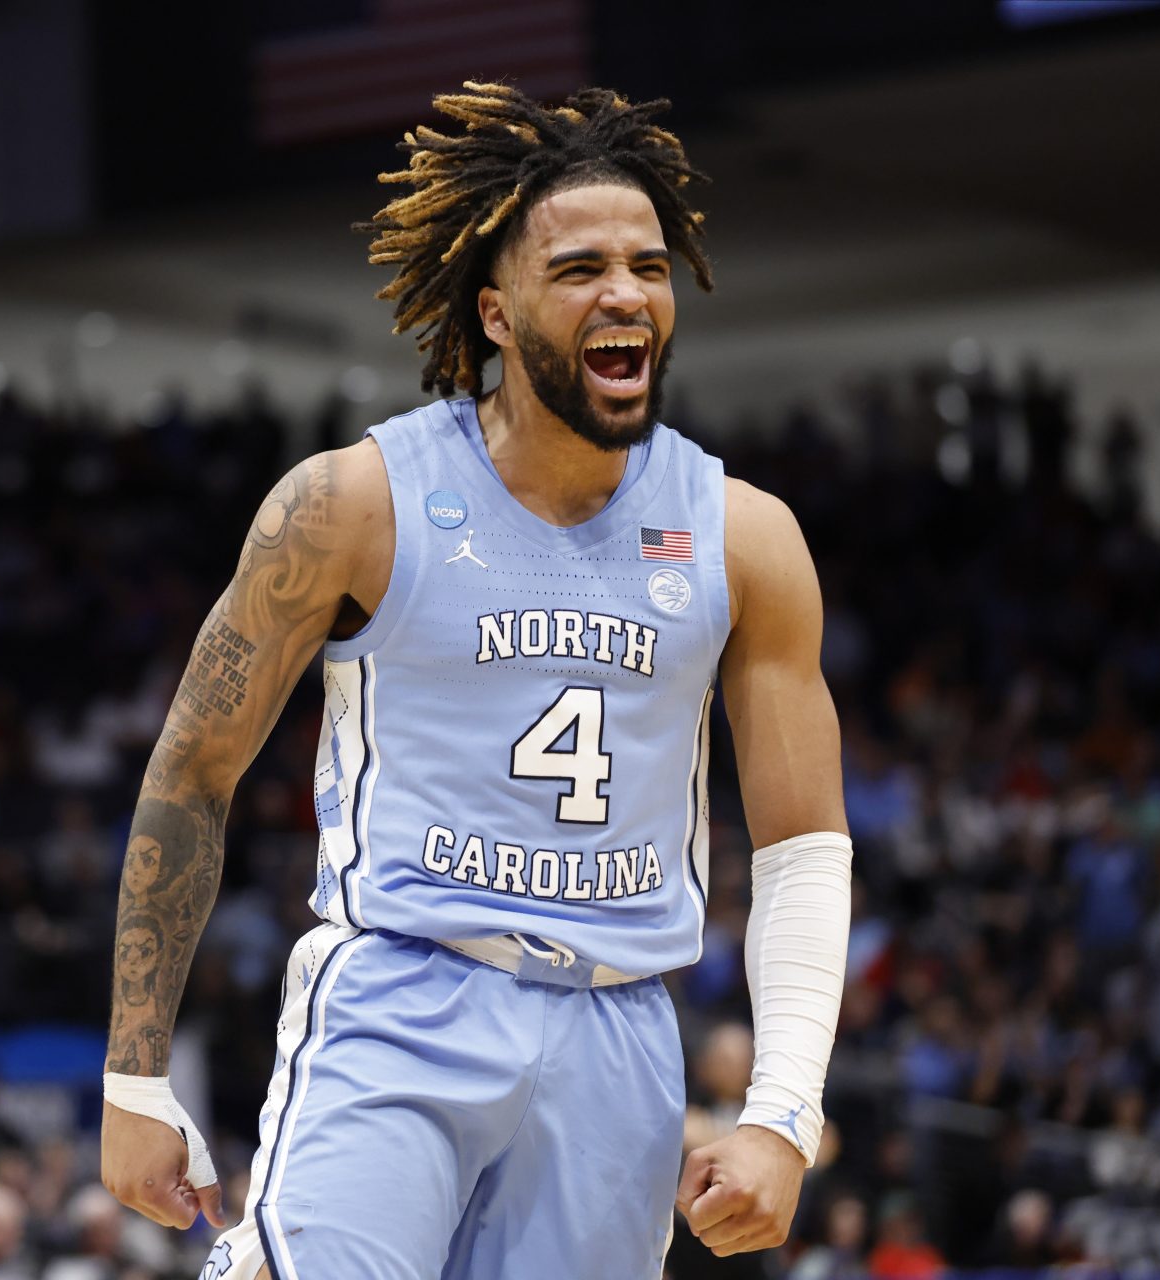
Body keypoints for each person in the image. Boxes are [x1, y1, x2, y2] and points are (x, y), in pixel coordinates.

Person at [98, 83, 854, 1278]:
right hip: (404, 997)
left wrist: (782, 1108)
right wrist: (135, 1072)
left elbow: (803, 843)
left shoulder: (746, 538)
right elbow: (193, 768)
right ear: (497, 312)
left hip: (620, 1032)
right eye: (583, 268)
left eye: (650, 267)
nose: (627, 295)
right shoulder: (350, 503)